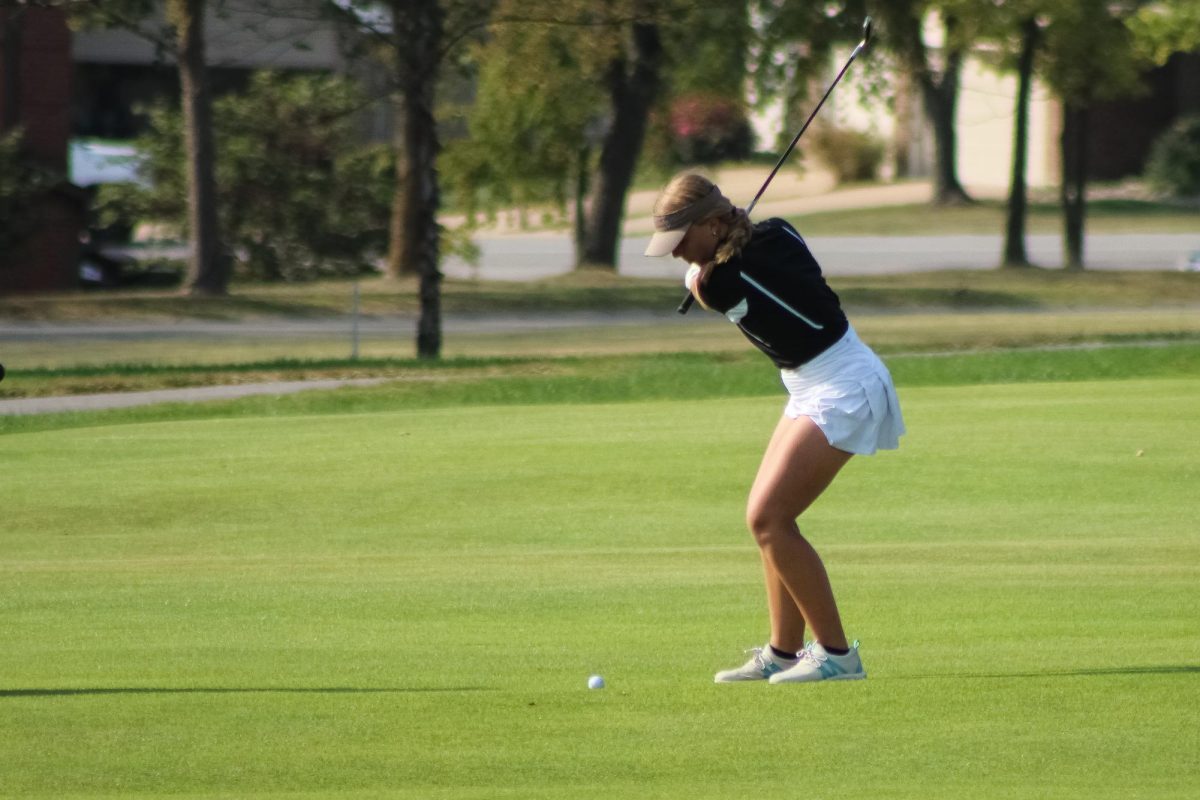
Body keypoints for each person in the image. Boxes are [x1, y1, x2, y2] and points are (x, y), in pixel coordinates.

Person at [644, 173, 905, 684]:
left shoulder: (718, 283)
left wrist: (714, 260)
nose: (677, 254)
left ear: (715, 224)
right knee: (769, 522)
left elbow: (703, 283)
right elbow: (761, 250)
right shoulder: (780, 231)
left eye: (682, 242)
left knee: (768, 518)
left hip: (844, 384)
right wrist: (730, 241)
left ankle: (837, 656)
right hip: (810, 383)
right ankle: (783, 651)